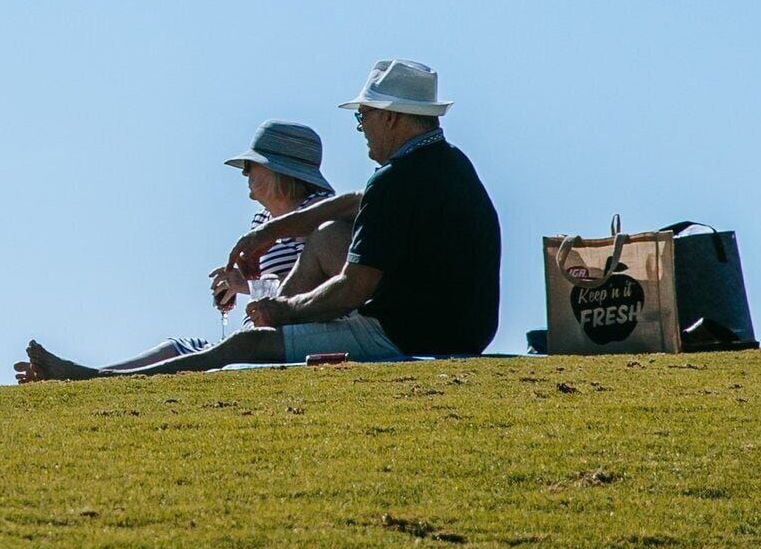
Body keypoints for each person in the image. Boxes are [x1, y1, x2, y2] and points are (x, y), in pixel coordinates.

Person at [56, 60, 501, 374]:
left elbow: (352, 290)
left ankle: (103, 379)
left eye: (364, 115)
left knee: (248, 344)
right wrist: (273, 231)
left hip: (412, 336)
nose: (361, 125)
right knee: (327, 235)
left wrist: (280, 311)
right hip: (464, 331)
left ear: (391, 119)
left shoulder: (398, 179)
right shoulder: (445, 165)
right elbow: (354, 202)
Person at [17, 122, 350, 381]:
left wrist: (243, 286)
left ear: (279, 171)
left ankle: (86, 378)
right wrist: (239, 284)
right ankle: (90, 374)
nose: (246, 175)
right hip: (270, 325)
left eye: (252, 166)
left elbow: (309, 284)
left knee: (202, 354)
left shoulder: (316, 212)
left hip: (294, 328)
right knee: (174, 347)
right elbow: (273, 285)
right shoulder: (262, 219)